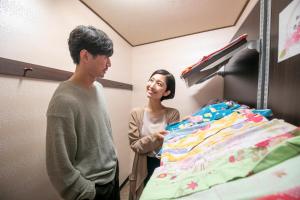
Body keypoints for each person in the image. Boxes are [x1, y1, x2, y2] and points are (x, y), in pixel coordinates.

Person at [46, 25, 119, 200]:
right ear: (85, 55)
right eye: (105, 57)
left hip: (112, 173)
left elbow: (103, 133)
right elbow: (57, 166)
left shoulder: (99, 88)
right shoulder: (63, 101)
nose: (109, 63)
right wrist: (86, 191)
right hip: (93, 188)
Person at [128, 69, 180, 200]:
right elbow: (135, 145)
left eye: (159, 83)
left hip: (163, 165)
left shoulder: (172, 113)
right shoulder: (136, 113)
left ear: (166, 92)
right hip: (142, 165)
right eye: (151, 80)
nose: (151, 85)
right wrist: (156, 137)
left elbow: (172, 142)